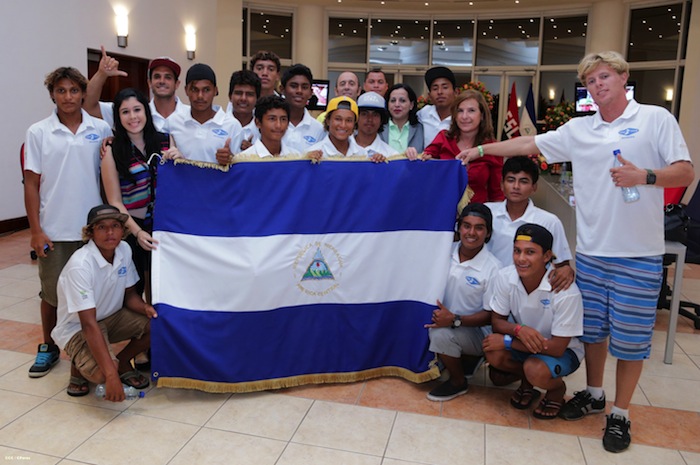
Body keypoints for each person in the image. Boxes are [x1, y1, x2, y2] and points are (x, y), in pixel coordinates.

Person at [460, 51, 694, 453]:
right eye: (590, 81)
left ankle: (620, 414)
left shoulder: (655, 118)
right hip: (592, 253)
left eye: (604, 77)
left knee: (631, 342)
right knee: (594, 334)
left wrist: (645, 175)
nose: (598, 85)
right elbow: (529, 142)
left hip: (638, 254)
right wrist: (481, 151)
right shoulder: (580, 128)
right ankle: (595, 394)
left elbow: (685, 170)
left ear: (623, 77)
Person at [23, 67, 111, 378]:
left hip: (93, 231)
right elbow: (31, 183)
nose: (68, 97)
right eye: (61, 90)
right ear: (52, 95)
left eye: (74, 90)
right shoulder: (38, 132)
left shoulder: (100, 128)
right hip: (54, 230)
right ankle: (48, 347)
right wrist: (36, 230)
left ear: (83, 93)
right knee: (51, 294)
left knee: (92, 294)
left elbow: (108, 177)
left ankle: (94, 349)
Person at [51, 205, 157, 400]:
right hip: (78, 327)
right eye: (102, 227)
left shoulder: (124, 249)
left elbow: (129, 295)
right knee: (102, 374)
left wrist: (146, 308)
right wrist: (110, 376)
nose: (110, 232)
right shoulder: (80, 265)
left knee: (159, 325)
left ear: (123, 230)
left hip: (111, 317)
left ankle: (122, 362)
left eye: (115, 226)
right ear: (90, 233)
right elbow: (88, 324)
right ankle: (77, 368)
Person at [483, 224, 584, 420]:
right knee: (492, 351)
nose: (521, 259)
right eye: (517, 251)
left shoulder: (565, 291)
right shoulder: (505, 277)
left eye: (530, 252)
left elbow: (557, 348)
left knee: (534, 369)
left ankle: (556, 389)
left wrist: (508, 341)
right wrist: (519, 329)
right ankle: (527, 381)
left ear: (547, 256)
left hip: (563, 352)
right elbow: (497, 322)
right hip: (525, 344)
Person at [101, 88, 177, 302]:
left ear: (146, 111)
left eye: (137, 110)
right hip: (131, 226)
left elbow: (179, 184)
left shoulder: (166, 140)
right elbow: (115, 201)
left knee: (161, 286)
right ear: (118, 117)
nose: (133, 117)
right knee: (134, 289)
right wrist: (137, 233)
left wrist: (179, 158)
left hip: (163, 224)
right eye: (125, 112)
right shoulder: (112, 150)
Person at [424, 204, 502, 401]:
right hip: (444, 319)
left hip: (476, 332)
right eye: (466, 226)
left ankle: (458, 381)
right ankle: (460, 358)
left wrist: (454, 320)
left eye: (479, 228)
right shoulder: (444, 252)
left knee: (440, 334)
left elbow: (491, 317)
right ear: (459, 228)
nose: (471, 233)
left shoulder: (494, 269)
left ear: (488, 233)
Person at [485, 156, 574, 291]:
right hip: (486, 288)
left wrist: (567, 271)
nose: (516, 186)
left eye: (523, 181)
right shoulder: (488, 213)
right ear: (502, 184)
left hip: (527, 293)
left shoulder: (549, 221)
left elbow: (562, 266)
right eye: (511, 180)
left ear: (534, 187)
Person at [424, 90, 504, 204]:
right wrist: (415, 156)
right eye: (460, 111)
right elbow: (425, 160)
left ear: (482, 115)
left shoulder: (491, 148)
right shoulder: (443, 138)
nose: (464, 116)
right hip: (442, 208)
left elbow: (496, 194)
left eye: (471, 111)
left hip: (476, 212)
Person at [84, 46, 188, 132]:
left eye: (168, 77)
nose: (162, 81)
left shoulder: (191, 115)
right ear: (149, 82)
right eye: (157, 76)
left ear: (177, 84)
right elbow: (88, 106)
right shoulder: (133, 112)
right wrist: (101, 74)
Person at [168, 63, 243, 165]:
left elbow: (241, 168)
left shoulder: (232, 125)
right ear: (186, 90)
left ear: (215, 91)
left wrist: (231, 159)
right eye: (194, 89)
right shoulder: (174, 122)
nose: (200, 96)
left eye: (206, 90)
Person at [280, 64, 325, 153]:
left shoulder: (319, 129)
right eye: (294, 86)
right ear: (282, 89)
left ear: (311, 93)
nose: (299, 91)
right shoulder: (272, 125)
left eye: (304, 87)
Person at [380, 83, 424, 160]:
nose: (397, 105)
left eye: (402, 101)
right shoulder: (379, 128)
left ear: (411, 105)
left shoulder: (421, 129)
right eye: (393, 101)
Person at [417, 66, 456, 147]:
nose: (440, 92)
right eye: (435, 88)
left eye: (445, 87)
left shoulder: (462, 117)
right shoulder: (424, 113)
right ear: (429, 96)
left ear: (455, 92)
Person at [353, 91, 397, 159]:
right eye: (364, 114)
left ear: (381, 120)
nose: (370, 119)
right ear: (356, 117)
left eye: (375, 115)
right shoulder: (341, 148)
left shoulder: (391, 156)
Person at [226, 70, 262, 150]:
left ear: (257, 99)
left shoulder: (264, 128)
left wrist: (253, 152)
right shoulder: (219, 125)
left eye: (249, 94)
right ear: (230, 96)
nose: (243, 98)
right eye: (238, 93)